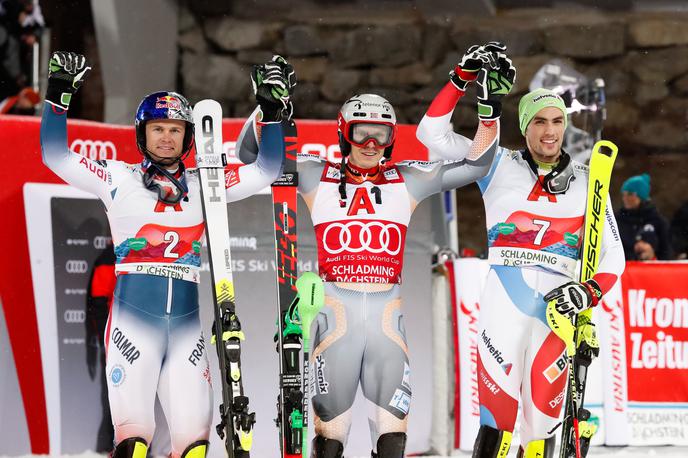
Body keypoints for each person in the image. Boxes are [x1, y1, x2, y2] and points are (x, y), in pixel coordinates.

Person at [236, 50, 514, 457]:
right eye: (361, 132)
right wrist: (265, 109)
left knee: (393, 441)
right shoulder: (316, 173)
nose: (371, 143)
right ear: (343, 133)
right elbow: (252, 159)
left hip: (387, 322)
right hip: (336, 318)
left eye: (381, 134)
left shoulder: (408, 178)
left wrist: (488, 108)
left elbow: (475, 165)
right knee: (329, 442)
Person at [41, 51, 286, 458]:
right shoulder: (118, 177)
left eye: (175, 129)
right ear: (142, 134)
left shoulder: (206, 182)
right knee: (133, 444)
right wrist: (57, 97)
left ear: (189, 137)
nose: (166, 137)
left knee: (194, 448)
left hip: (187, 334)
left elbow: (267, 169)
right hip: (131, 331)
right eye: (158, 128)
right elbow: (55, 155)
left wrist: (272, 111)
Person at [416, 44, 626, 457]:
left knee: (544, 431)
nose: (550, 131)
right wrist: (462, 78)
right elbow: (431, 134)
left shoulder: (589, 180)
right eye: (540, 122)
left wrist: (586, 293)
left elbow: (612, 259)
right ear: (525, 126)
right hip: (502, 311)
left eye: (557, 122)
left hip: (556, 316)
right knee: (496, 427)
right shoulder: (494, 163)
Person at [85, 244, 117, 453]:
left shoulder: (147, 252)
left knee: (137, 401)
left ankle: (133, 447)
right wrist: (109, 340)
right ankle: (108, 448)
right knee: (114, 400)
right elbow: (97, 301)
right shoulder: (108, 258)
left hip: (142, 340)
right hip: (116, 344)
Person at [616, 173, 672, 261]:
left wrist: (652, 256)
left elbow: (667, 254)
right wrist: (632, 253)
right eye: (624, 194)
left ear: (641, 197)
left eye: (630, 194)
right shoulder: (616, 220)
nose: (625, 198)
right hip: (623, 272)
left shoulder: (658, 222)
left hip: (650, 272)